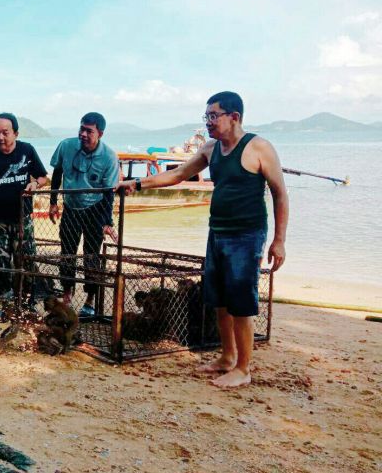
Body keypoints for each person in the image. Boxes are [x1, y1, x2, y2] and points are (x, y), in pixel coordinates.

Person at [120, 91, 288, 388]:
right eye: (206, 116)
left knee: (241, 303)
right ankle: (226, 357)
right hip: (217, 232)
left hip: (247, 235)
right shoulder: (211, 149)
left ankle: (243, 368)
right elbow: (178, 174)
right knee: (219, 300)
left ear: (234, 117)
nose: (208, 122)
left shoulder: (259, 148)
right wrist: (137, 183)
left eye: (213, 116)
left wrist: (279, 241)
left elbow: (280, 194)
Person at [48, 112, 120, 316]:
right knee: (67, 252)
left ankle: (89, 300)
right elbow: (57, 172)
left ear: (100, 133)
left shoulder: (109, 157)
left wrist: (107, 222)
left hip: (95, 208)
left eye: (89, 131)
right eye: (81, 129)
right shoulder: (66, 145)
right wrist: (53, 202)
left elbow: (108, 193)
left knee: (91, 255)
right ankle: (67, 295)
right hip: (71, 206)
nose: (83, 134)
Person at [0, 112, 48, 293]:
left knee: (26, 263)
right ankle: (4, 301)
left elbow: (43, 177)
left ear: (16, 134)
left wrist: (35, 184)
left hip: (23, 220)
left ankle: (26, 301)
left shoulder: (27, 151)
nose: (0, 137)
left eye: (5, 132)